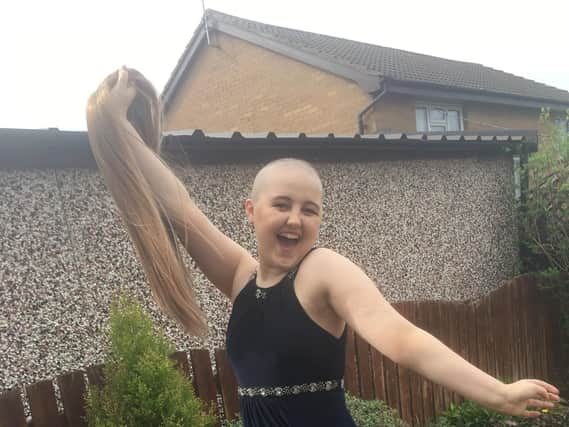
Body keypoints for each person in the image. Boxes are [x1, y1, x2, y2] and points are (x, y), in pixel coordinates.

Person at [86, 67, 560, 426]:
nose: (296, 218)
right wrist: (118, 126)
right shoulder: (240, 279)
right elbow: (178, 207)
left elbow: (403, 339)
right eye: (282, 205)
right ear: (252, 211)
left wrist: (497, 394)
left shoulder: (322, 271)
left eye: (309, 209)